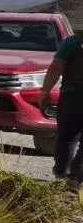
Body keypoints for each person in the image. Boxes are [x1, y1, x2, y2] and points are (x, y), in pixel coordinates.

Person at [40, 29, 83, 183]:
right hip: (72, 97)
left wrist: (44, 92)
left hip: (72, 97)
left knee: (67, 137)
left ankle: (61, 172)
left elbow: (54, 71)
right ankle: (76, 176)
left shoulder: (73, 42)